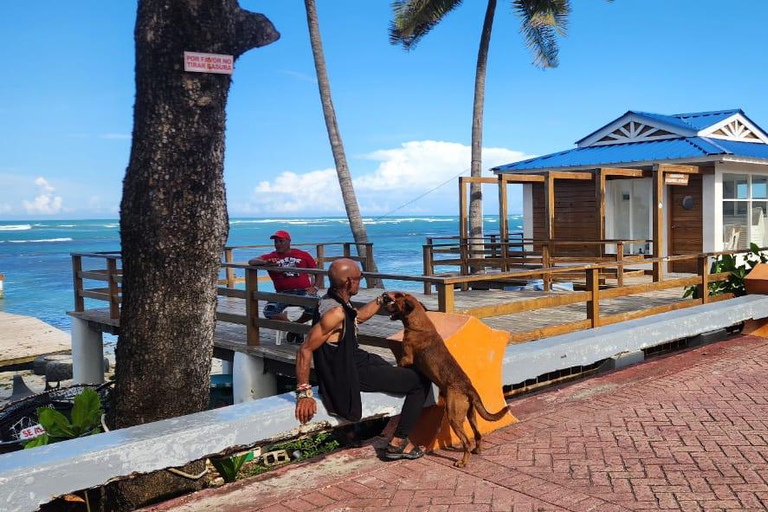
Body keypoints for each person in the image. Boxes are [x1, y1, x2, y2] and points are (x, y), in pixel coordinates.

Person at [294, 258, 432, 460]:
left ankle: (362, 430)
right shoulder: (335, 313)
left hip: (355, 360)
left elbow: (355, 318)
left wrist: (382, 299)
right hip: (350, 371)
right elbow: (305, 349)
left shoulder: (332, 300)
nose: (360, 282)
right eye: (359, 278)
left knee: (387, 365)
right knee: (420, 382)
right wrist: (304, 392)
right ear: (349, 281)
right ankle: (398, 443)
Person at [248, 230, 321, 341]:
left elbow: (318, 273)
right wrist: (266, 263)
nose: (278, 244)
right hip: (282, 293)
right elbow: (251, 261)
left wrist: (315, 287)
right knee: (269, 310)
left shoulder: (303, 255)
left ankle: (296, 326)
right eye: (276, 242)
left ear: (289, 241)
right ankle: (296, 330)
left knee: (319, 307)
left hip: (303, 291)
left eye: (281, 241)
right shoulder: (271, 257)